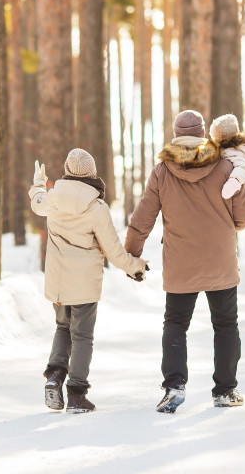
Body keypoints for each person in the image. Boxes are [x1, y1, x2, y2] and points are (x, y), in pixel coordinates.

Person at [124, 110, 245, 413]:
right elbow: (244, 216)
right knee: (225, 324)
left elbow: (143, 218)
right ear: (203, 133)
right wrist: (225, 226)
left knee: (176, 323)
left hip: (180, 261)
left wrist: (132, 255)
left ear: (175, 134)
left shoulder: (162, 171)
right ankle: (225, 390)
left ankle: (174, 386)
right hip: (220, 259)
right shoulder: (225, 166)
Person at [29, 148, 148, 414]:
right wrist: (135, 267)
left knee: (62, 328)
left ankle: (54, 378)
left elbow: (37, 203)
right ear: (92, 173)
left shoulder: (53, 199)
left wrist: (39, 183)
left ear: (68, 172)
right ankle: (77, 395)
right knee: (82, 336)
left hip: (58, 282)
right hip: (84, 284)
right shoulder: (96, 207)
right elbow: (113, 250)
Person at [209, 113, 245, 204]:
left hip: (240, 196)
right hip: (242, 195)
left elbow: (243, 168)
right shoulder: (236, 147)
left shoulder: (232, 151)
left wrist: (232, 184)